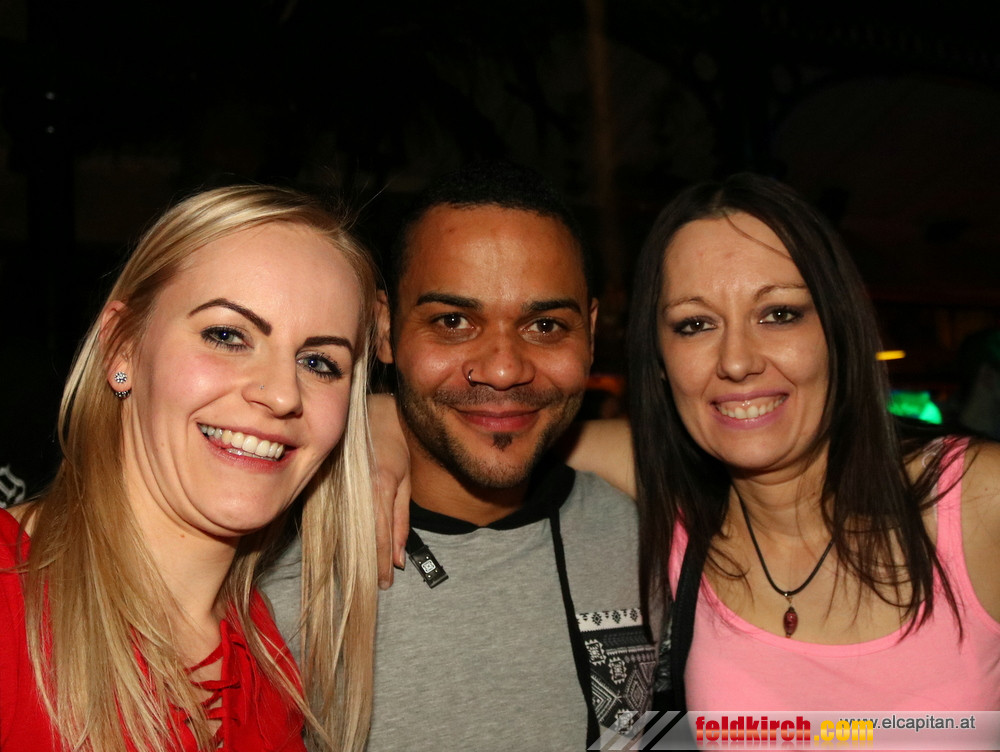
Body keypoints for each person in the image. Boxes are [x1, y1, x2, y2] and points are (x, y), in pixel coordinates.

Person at [570, 172, 1000, 710]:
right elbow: (502, 438)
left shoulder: (979, 500)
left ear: (837, 331)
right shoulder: (673, 500)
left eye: (778, 314)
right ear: (659, 360)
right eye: (695, 324)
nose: (737, 361)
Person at [264, 161, 656, 750]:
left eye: (546, 325)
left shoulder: (656, 539)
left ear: (591, 333)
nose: (503, 369)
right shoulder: (281, 576)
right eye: (453, 321)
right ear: (385, 329)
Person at [0, 185, 379, 751]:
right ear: (122, 348)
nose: (282, 394)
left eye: (319, 363)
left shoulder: (270, 664)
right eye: (227, 336)